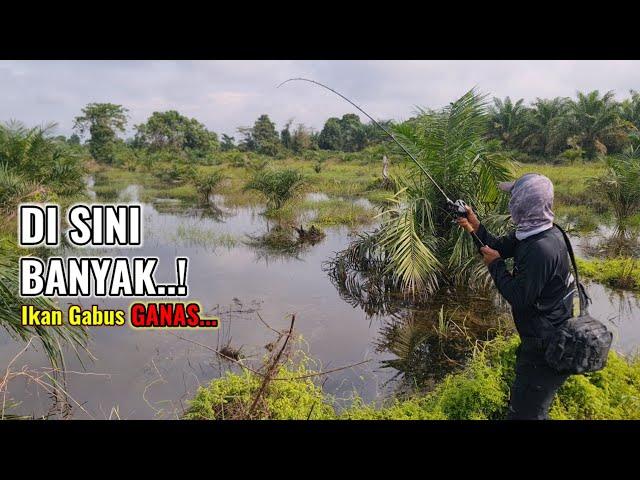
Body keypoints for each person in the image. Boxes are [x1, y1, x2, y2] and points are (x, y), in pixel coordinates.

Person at [456, 173, 576, 420]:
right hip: (540, 337)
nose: (511, 202)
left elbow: (520, 297)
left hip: (546, 346)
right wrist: (475, 226)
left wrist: (496, 266)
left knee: (526, 413)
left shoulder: (541, 249)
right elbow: (496, 248)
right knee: (529, 404)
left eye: (514, 197)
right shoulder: (533, 232)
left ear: (523, 204)